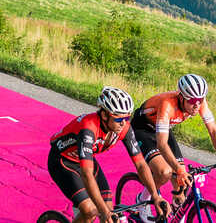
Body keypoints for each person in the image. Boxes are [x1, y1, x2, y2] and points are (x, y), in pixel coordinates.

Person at [48, 86, 169, 223]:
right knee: (91, 211)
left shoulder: (124, 128)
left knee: (111, 214)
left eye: (127, 117)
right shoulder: (88, 128)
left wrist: (155, 195)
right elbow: (87, 173)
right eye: (118, 119)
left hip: (85, 159)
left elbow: (141, 164)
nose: (123, 123)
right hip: (63, 162)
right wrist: (103, 211)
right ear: (104, 115)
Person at [130, 74, 216, 215]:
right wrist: (178, 170)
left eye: (200, 99)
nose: (197, 105)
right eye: (192, 100)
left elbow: (213, 130)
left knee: (183, 183)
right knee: (165, 172)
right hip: (143, 128)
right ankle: (141, 202)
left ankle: (177, 214)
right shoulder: (167, 105)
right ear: (181, 97)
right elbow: (161, 144)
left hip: (163, 128)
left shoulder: (199, 103)